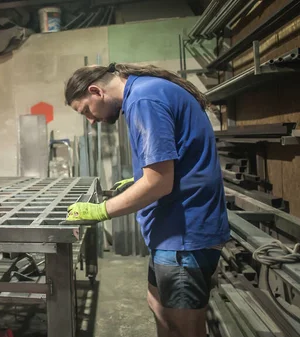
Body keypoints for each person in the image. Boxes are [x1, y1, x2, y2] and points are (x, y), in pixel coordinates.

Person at [64, 63, 229, 337]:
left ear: (96, 91)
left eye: (86, 111)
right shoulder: (146, 92)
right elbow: (171, 163)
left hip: (184, 234)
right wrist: (138, 179)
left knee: (184, 327)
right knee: (158, 306)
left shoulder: (144, 99)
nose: (91, 121)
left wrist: (100, 210)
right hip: (173, 231)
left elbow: (159, 182)